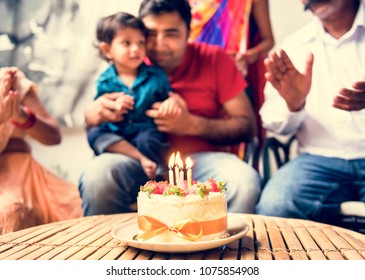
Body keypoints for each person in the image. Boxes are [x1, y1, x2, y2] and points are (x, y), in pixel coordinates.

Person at [79, 0, 261, 216]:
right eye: (151, 34)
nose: (158, 44)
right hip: (137, 158)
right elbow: (100, 131)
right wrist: (91, 116)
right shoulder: (127, 60)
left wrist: (191, 125)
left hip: (200, 161)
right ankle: (109, 249)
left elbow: (247, 127)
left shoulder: (214, 59)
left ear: (188, 32)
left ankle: (226, 249)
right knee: (98, 176)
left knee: (244, 182)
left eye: (171, 34)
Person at [256, 0, 365, 225]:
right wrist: (293, 105)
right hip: (317, 160)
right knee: (274, 207)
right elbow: (272, 123)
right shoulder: (293, 46)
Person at [88, 12, 181, 179]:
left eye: (141, 43)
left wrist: (171, 103)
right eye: (126, 43)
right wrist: (116, 105)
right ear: (107, 50)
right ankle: (140, 158)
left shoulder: (155, 75)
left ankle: (159, 173)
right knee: (95, 135)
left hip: (144, 130)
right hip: (118, 134)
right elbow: (101, 108)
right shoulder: (104, 80)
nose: (136, 49)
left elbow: (169, 97)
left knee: (150, 140)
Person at [0, 67, 82, 234]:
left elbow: (53, 137)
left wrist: (21, 115)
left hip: (27, 175)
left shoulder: (9, 80)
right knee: (10, 212)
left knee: (83, 207)